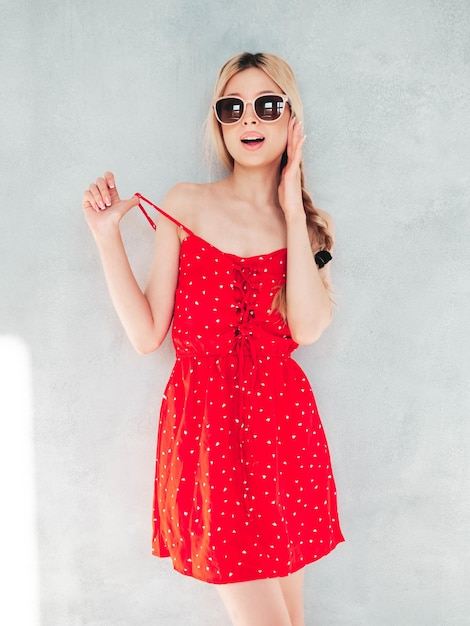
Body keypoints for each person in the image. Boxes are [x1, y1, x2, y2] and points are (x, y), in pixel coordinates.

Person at [82, 51, 344, 626]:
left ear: (291, 121)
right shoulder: (185, 203)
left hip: (284, 439)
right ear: (220, 123)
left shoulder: (306, 228)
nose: (250, 120)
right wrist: (108, 240)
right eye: (234, 108)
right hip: (209, 438)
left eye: (267, 106)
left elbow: (307, 326)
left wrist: (293, 205)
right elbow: (149, 333)